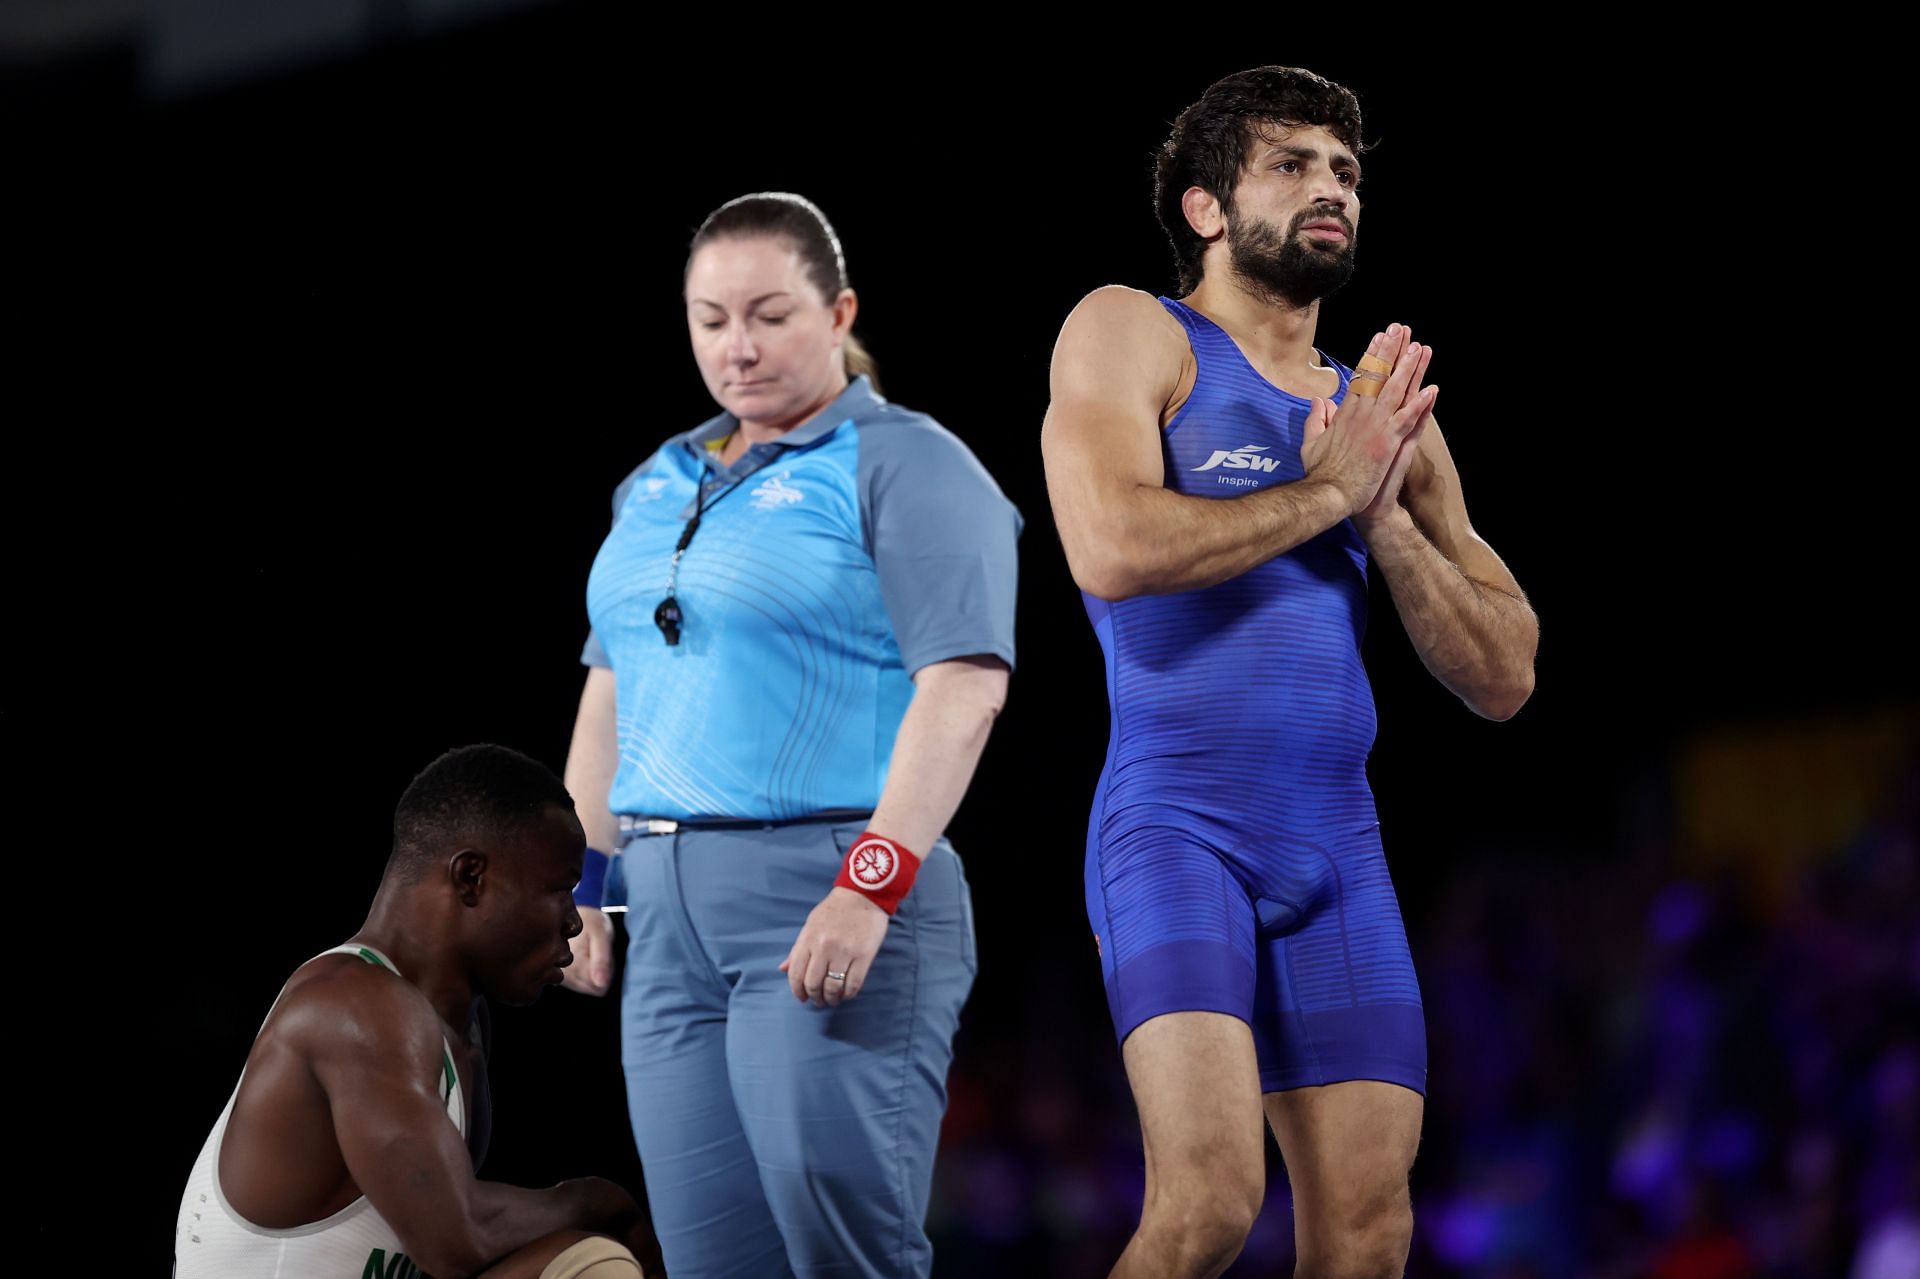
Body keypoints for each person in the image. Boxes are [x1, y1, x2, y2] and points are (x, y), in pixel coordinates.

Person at [1040, 66, 1540, 1278]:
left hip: (1336, 844)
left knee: (1371, 1233)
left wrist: (1382, 521)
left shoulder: (1378, 415)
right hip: (1176, 825)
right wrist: (1324, 490)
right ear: (1207, 206)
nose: (1333, 188)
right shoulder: (1133, 331)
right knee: (1208, 1204)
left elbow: (1505, 670)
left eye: (1347, 171)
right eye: (1293, 164)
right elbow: (1110, 547)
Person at [561, 191, 1020, 1279]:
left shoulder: (908, 463)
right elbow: (611, 688)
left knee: (842, 1253)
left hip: (827, 887)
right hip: (667, 917)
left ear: (838, 310)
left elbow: (963, 689)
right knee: (711, 1258)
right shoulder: (656, 479)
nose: (739, 345)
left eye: (769, 314)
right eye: (710, 318)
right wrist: (580, 881)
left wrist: (870, 884)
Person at [174, 743, 649, 1279]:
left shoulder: (457, 1021)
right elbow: (457, 1239)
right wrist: (598, 1200)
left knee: (580, 1257)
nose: (574, 922)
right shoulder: (352, 1007)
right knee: (594, 1263)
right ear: (470, 877)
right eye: (560, 890)